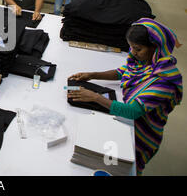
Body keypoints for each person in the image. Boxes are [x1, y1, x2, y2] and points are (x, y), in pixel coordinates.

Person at [68, 18, 182, 176]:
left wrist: (95, 97)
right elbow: (123, 71)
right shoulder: (143, 61)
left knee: (125, 166)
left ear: (155, 47)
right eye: (131, 47)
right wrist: (92, 75)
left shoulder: (163, 80)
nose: (133, 53)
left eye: (138, 49)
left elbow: (133, 112)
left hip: (142, 133)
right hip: (128, 125)